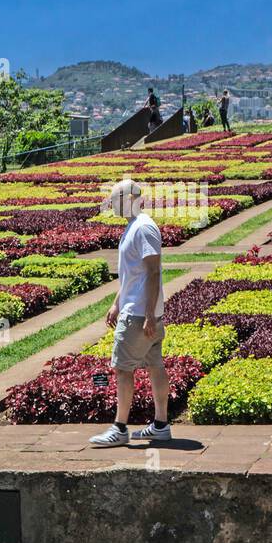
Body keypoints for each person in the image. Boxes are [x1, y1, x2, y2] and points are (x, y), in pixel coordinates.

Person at [90, 179, 170, 447]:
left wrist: (147, 314)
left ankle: (120, 428)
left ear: (127, 198)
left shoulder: (144, 228)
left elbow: (153, 271)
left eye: (114, 200)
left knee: (123, 370)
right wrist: (116, 302)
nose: (111, 205)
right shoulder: (133, 226)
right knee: (155, 366)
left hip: (139, 315)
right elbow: (132, 275)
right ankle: (160, 425)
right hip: (139, 310)